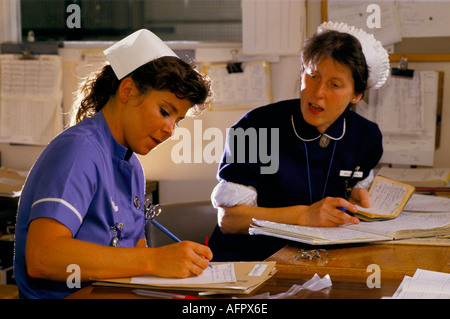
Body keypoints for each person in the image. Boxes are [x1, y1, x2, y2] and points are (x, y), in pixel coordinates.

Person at [14, 29, 213, 298]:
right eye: (165, 112)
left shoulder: (133, 169)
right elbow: (43, 257)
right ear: (128, 90)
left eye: (177, 121)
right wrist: (155, 260)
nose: (170, 130)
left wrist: (181, 266)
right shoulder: (80, 150)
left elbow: (133, 253)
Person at [209, 22, 390, 262]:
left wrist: (355, 199)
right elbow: (230, 220)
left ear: (356, 95)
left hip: (320, 260)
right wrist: (304, 215)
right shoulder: (256, 127)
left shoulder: (366, 137)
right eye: (312, 76)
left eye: (335, 85)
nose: (318, 92)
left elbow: (351, 189)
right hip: (249, 261)